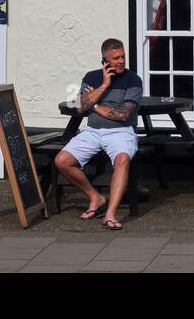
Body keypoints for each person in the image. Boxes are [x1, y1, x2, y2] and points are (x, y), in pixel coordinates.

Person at [53, 38, 143, 230]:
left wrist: (93, 104)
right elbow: (79, 108)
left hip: (121, 132)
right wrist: (104, 84)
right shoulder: (92, 77)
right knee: (61, 161)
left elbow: (123, 114)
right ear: (104, 61)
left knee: (122, 160)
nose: (121, 61)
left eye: (123, 57)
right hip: (92, 131)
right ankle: (95, 197)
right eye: (116, 58)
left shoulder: (133, 80)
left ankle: (110, 214)